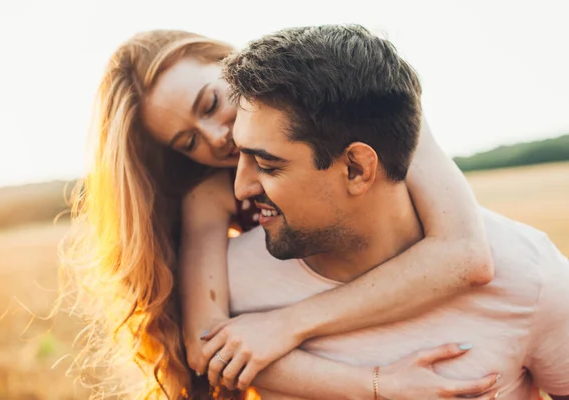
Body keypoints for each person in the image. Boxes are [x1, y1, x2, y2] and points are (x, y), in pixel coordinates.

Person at [61, 29, 497, 399]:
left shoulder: (357, 105)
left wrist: (288, 325)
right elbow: (204, 346)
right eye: (187, 142)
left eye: (211, 103)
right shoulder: (213, 195)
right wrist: (377, 385)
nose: (217, 138)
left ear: (227, 62)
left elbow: (464, 254)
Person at [199, 24, 569, 399]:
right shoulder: (230, 284)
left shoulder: (530, 274)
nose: (240, 188)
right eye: (240, 155)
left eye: (267, 164)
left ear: (357, 169)